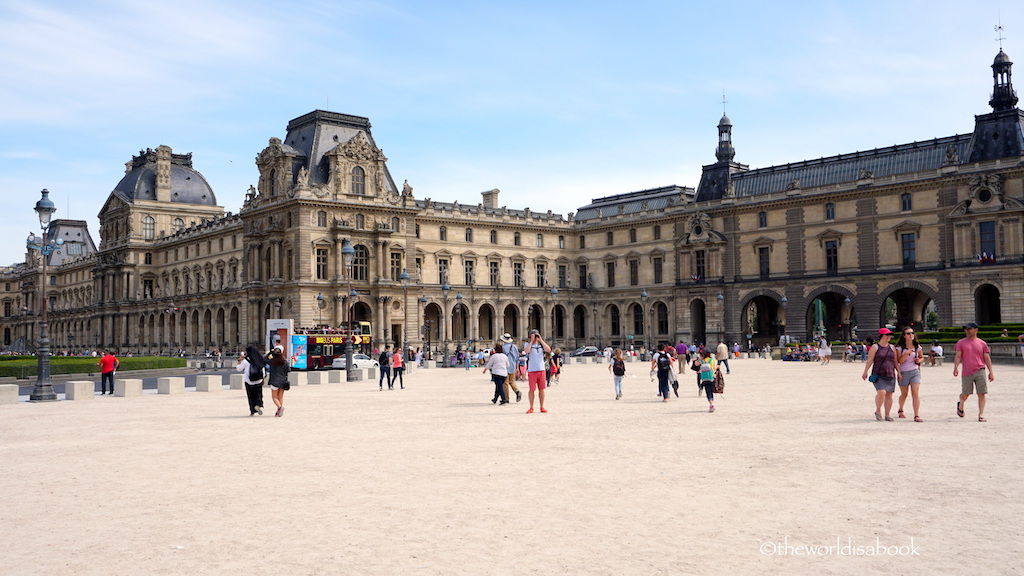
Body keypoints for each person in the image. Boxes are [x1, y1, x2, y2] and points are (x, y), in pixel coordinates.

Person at [953, 322, 995, 422]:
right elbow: (958, 356)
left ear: (976, 330)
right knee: (966, 393)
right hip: (967, 371)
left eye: (969, 329)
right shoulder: (961, 342)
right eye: (966, 329)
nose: (967, 331)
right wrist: (956, 368)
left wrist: (991, 371)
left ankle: (981, 414)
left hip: (980, 370)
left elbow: (986, 358)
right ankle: (961, 403)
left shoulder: (982, 343)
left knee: (982, 393)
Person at [862, 328, 898, 421]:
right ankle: (878, 410)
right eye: (887, 335)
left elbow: (895, 361)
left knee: (889, 394)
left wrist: (899, 372)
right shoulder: (875, 347)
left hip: (890, 373)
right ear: (882, 336)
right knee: (881, 392)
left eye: (890, 335)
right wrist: (865, 371)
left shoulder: (892, 347)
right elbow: (870, 360)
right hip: (878, 374)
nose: (889, 336)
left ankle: (887, 414)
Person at [895, 327, 924, 422]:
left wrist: (919, 360)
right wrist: (906, 353)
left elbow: (922, 357)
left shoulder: (917, 346)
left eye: (912, 333)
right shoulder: (899, 347)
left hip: (915, 371)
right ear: (904, 336)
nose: (910, 335)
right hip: (903, 372)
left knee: (915, 393)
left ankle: (916, 415)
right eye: (908, 333)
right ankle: (901, 409)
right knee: (904, 394)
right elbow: (900, 361)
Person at [523, 329, 551, 413]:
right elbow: (526, 351)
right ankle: (531, 407)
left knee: (541, 389)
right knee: (532, 389)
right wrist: (531, 341)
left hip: (541, 370)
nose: (535, 337)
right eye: (534, 335)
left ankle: (542, 406)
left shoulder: (541, 345)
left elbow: (548, 350)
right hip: (532, 370)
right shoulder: (528, 344)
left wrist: (541, 340)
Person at [237, 345, 266, 416]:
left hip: (249, 380)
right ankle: (258, 404)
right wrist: (263, 378)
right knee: (258, 394)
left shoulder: (245, 361)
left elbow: (239, 369)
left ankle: (252, 410)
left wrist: (239, 361)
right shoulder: (259, 358)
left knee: (250, 396)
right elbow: (263, 369)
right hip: (258, 379)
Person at [267, 347, 290, 417]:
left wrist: (270, 353)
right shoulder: (285, 362)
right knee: (280, 397)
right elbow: (288, 370)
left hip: (274, 380)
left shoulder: (272, 361)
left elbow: (264, 359)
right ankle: (278, 411)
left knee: (274, 397)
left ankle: (280, 407)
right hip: (283, 381)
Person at [500, 333, 522, 402]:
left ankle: (506, 398)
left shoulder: (503, 347)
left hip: (505, 367)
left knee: (505, 383)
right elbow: (517, 358)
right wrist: (517, 368)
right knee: (512, 381)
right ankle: (517, 391)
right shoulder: (514, 347)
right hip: (512, 366)